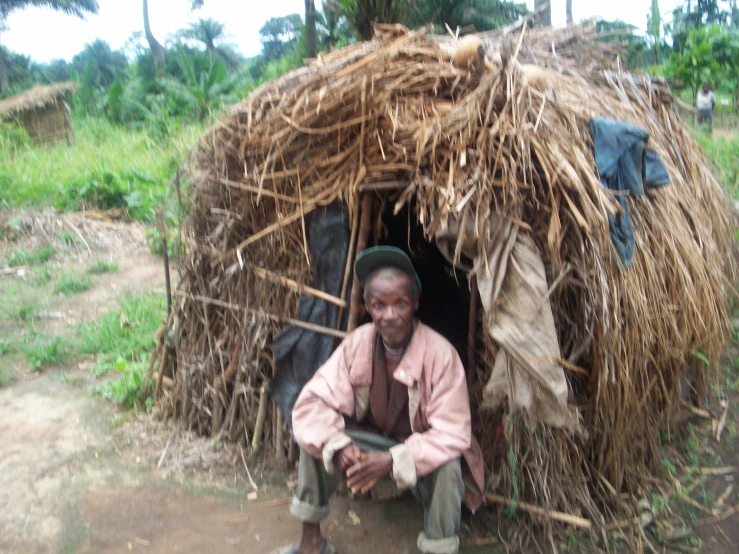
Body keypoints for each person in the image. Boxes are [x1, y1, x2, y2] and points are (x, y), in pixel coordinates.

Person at [280, 246, 485, 554]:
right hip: (371, 443)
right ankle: (311, 543)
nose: (390, 316)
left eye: (400, 303)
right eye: (379, 305)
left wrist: (393, 459)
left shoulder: (441, 355)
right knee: (317, 437)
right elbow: (312, 404)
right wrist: (340, 446)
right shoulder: (357, 344)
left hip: (418, 451)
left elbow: (452, 433)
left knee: (449, 468)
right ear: (367, 306)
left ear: (415, 303)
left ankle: (438, 548)